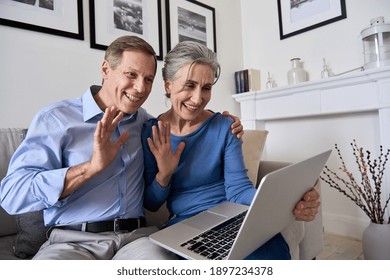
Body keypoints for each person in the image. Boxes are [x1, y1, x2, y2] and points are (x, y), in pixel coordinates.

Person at [0, 36, 243, 260]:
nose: (140, 88)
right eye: (131, 75)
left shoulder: (146, 124)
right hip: (72, 242)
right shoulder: (56, 119)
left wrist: (224, 121)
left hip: (137, 241)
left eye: (148, 80)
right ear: (106, 69)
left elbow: (186, 120)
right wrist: (90, 168)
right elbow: (11, 195)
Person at [142, 41, 321, 259]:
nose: (198, 98)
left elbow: (238, 190)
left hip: (234, 216)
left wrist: (290, 199)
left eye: (206, 88)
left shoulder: (226, 126)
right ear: (168, 85)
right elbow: (151, 203)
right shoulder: (151, 132)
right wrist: (165, 174)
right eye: (189, 85)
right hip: (185, 223)